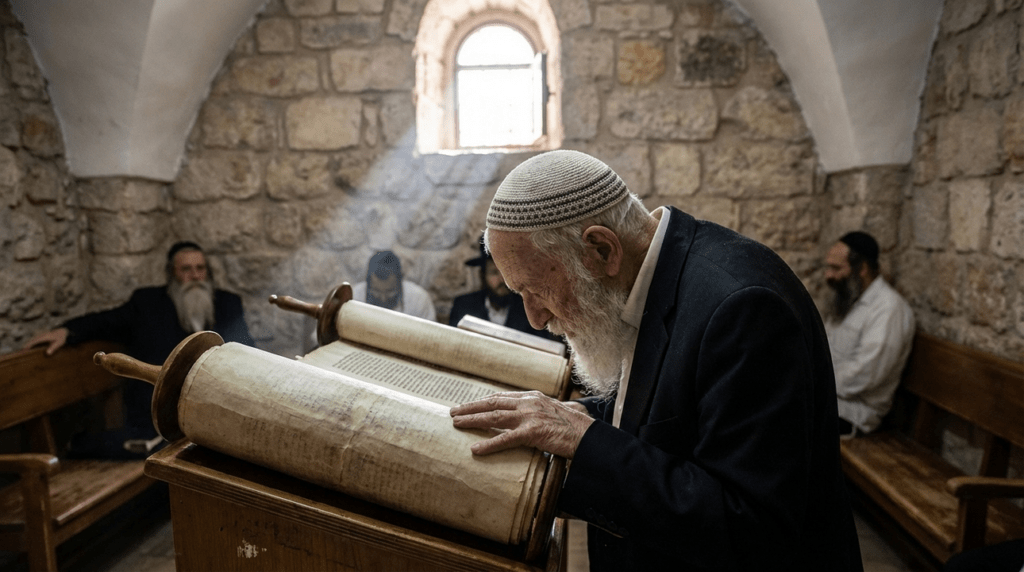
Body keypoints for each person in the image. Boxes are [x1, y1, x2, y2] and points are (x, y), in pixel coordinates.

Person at [449, 150, 862, 571]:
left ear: (600, 248)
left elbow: (750, 527)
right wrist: (571, 415)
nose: (535, 317)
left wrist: (586, 440)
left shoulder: (743, 309)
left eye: (535, 289)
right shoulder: (647, 277)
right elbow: (669, 411)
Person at [23, 241, 253, 457]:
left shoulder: (227, 304)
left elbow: (247, 348)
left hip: (212, 408)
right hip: (161, 412)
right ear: (172, 273)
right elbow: (106, 321)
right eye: (186, 269)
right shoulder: (148, 304)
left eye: (200, 268)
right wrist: (67, 332)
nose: (194, 276)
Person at [823, 231, 915, 437]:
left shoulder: (889, 309)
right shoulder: (848, 300)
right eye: (828, 267)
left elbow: (865, 374)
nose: (828, 275)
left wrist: (814, 381)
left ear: (862, 268)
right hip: (830, 398)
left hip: (854, 413)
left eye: (836, 268)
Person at [448, 236, 556, 341]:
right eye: (494, 272)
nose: (502, 280)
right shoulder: (463, 306)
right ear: (483, 276)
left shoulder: (529, 308)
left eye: (505, 273)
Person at [352, 250, 436, 321]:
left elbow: (430, 336)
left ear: (400, 282)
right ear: (368, 283)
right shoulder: (355, 298)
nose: (383, 299)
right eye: (376, 291)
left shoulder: (419, 300)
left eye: (390, 291)